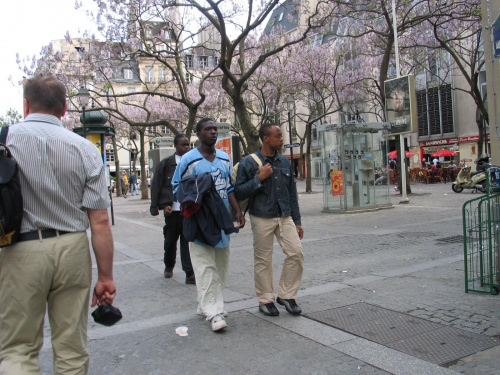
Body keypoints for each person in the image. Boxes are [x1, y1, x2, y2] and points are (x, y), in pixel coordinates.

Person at [0, 75, 116, 374]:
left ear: (25, 105)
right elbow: (100, 221)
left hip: (19, 249)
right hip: (72, 247)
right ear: (65, 110)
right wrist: (105, 276)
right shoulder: (85, 149)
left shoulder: (5, 141)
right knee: (71, 349)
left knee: (17, 349)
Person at [172, 118, 244, 332]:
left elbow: (229, 187)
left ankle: (206, 303)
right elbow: (176, 187)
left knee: (221, 266)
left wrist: (237, 211)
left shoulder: (224, 158)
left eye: (215, 129)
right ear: (198, 133)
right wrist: (194, 198)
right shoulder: (188, 160)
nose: (213, 132)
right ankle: (214, 312)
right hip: (199, 220)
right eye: (207, 129)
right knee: (205, 267)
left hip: (221, 219)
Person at [234, 123, 304, 317]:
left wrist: (297, 221)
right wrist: (259, 178)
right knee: (263, 260)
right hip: (261, 216)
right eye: (278, 136)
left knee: (296, 253)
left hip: (284, 215)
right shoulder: (249, 162)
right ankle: (266, 300)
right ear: (266, 138)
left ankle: (287, 295)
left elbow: (292, 193)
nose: (282, 139)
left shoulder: (284, 161)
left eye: (281, 136)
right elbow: (238, 191)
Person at [150, 134, 195, 284]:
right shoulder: (165, 164)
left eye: (188, 144)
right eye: (184, 145)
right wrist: (158, 206)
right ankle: (169, 265)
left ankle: (189, 272)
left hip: (188, 209)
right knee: (170, 241)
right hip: (172, 210)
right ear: (175, 146)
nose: (187, 147)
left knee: (186, 241)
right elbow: (157, 185)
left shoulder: (192, 163)